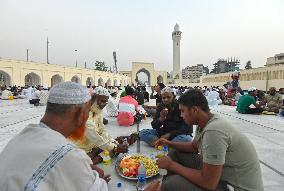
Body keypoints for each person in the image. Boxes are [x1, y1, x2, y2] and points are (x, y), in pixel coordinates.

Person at [0, 82, 109, 191]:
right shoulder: (68, 154)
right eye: (87, 111)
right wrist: (98, 179)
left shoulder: (20, 137)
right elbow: (99, 188)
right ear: (80, 114)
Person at [155, 89, 264, 191]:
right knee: (175, 153)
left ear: (194, 110)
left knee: (169, 184)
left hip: (234, 186)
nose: (181, 115)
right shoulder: (205, 121)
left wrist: (172, 165)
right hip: (220, 173)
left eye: (183, 111)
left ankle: (168, 185)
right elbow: (193, 147)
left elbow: (209, 183)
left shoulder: (214, 131)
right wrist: (169, 143)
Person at [75, 86, 129, 164]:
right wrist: (115, 147)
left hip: (94, 145)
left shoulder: (98, 110)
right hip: (81, 148)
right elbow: (95, 137)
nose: (104, 105)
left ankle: (97, 154)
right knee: (111, 149)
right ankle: (91, 161)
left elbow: (102, 129)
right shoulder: (84, 115)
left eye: (106, 102)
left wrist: (113, 142)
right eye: (102, 101)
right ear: (93, 99)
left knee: (112, 147)